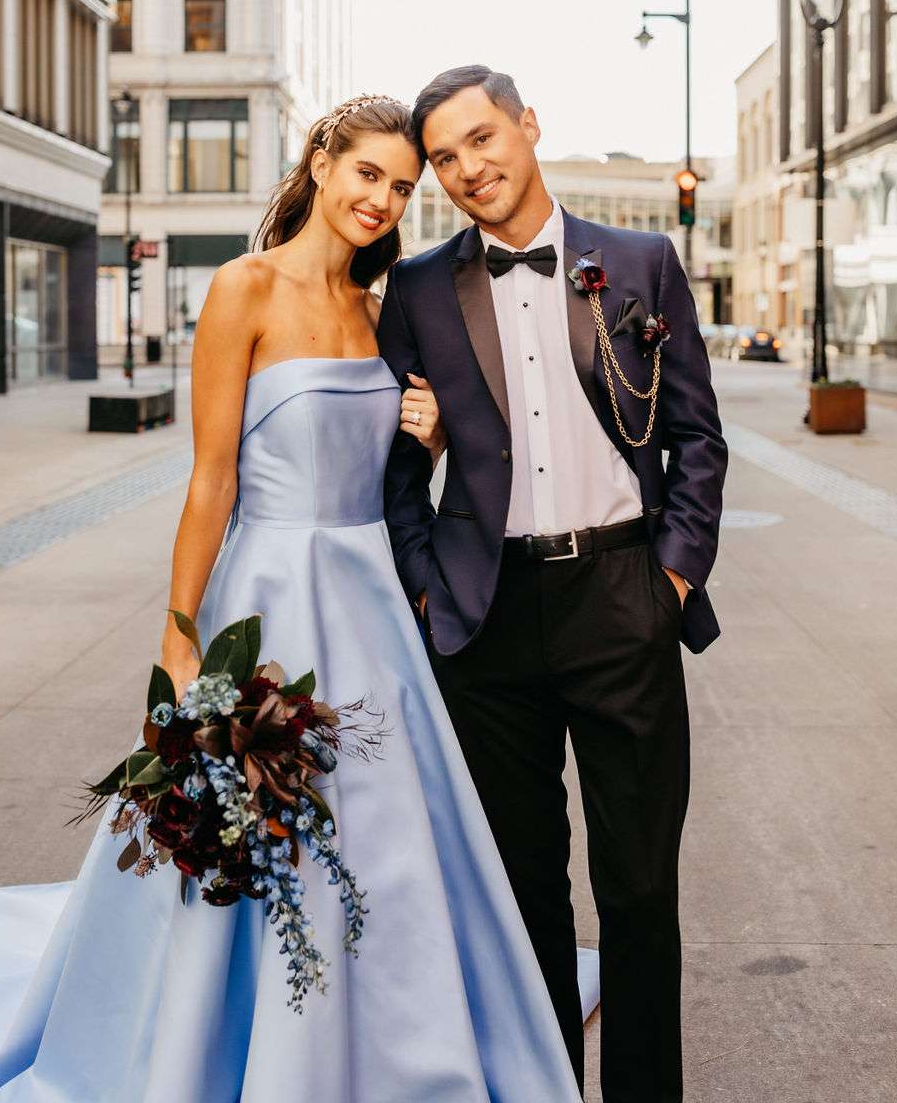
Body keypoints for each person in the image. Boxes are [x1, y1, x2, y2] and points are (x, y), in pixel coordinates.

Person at [0, 95, 592, 1103]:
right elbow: (211, 481)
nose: (383, 199)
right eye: (368, 174)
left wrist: (432, 438)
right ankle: (229, 1045)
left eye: (403, 187)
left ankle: (398, 1041)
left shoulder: (383, 308)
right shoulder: (244, 288)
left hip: (374, 608)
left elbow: (403, 474)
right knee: (257, 822)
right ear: (321, 161)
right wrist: (180, 642)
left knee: (392, 835)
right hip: (270, 594)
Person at [378, 65, 728, 1103]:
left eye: (482, 139)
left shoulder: (639, 261)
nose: (468, 168)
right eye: (444, 157)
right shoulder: (417, 289)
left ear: (528, 127)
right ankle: (543, 1090)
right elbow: (390, 472)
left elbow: (697, 435)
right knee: (521, 890)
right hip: (486, 620)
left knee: (636, 888)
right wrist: (427, 589)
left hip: (623, 594)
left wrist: (670, 577)